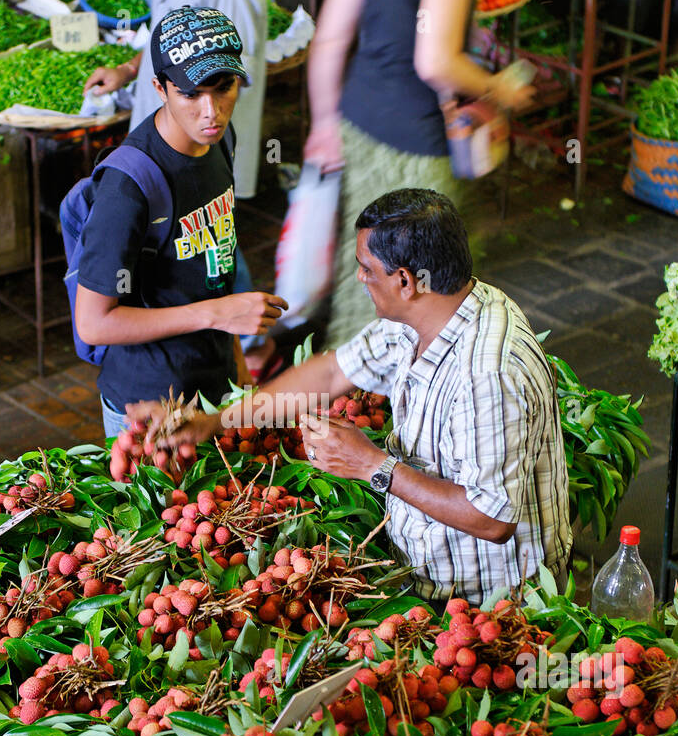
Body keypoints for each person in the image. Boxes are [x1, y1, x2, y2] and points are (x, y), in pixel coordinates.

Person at [131, 188, 571, 603]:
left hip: (491, 600)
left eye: (367, 268)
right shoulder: (426, 313)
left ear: (405, 281)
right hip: (429, 575)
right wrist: (215, 422)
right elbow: (328, 374)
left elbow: (492, 518)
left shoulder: (487, 375)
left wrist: (372, 466)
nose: (359, 277)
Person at [72, 6, 286, 437]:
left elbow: (216, 267)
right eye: (191, 93)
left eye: (223, 87)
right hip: (150, 401)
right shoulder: (128, 185)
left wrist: (240, 374)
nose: (212, 111)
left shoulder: (221, 141)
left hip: (216, 388)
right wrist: (217, 313)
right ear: (159, 88)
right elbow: (93, 323)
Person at [305, 0, 534, 349]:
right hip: (414, 150)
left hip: (360, 125)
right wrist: (498, 87)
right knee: (426, 291)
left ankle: (350, 386)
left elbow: (330, 39)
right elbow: (435, 63)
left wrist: (323, 123)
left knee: (367, 277)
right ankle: (409, 392)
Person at [84, 0, 268, 202]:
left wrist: (181, 155)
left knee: (191, 217)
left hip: (194, 154)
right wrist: (128, 69)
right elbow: (173, 43)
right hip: (164, 138)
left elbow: (232, 71)